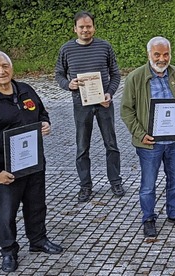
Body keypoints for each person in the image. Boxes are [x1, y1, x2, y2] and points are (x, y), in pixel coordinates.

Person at [0, 50, 63, 273]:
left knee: (37, 205)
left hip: (33, 163)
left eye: (5, 66)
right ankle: (9, 251)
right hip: (5, 170)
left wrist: (45, 123)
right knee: (6, 212)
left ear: (11, 67)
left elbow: (41, 112)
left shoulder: (25, 90)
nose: (1, 71)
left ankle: (38, 240)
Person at [120, 36, 175, 237]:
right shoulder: (135, 77)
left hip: (173, 140)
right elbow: (126, 110)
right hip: (149, 142)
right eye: (157, 54)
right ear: (149, 54)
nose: (162, 58)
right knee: (148, 184)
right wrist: (140, 134)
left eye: (166, 54)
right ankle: (149, 218)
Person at [55, 11, 124, 202]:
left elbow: (115, 74)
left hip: (103, 103)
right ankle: (85, 186)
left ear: (94, 27)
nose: (85, 30)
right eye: (82, 27)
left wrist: (109, 93)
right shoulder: (66, 49)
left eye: (89, 26)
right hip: (81, 104)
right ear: (75, 29)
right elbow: (59, 74)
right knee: (82, 146)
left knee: (111, 144)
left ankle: (115, 181)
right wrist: (68, 85)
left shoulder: (104, 47)